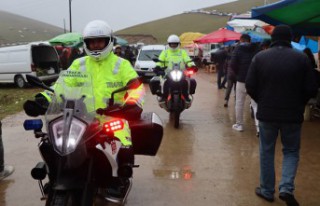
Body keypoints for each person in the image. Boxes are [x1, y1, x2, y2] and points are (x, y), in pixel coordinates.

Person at [24, 20, 145, 200]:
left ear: (108, 41)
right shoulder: (78, 65)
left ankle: (118, 179)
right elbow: (61, 87)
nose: (96, 45)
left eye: (100, 41)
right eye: (92, 42)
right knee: (52, 142)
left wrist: (132, 104)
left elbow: (136, 88)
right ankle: (56, 174)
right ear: (86, 44)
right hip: (80, 119)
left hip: (111, 118)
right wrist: (44, 99)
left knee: (122, 144)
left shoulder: (121, 65)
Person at [246, 25, 318, 206]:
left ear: (273, 38)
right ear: (290, 38)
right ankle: (286, 188)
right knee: (291, 151)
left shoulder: (259, 58)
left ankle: (267, 190)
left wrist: (262, 101)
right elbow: (311, 88)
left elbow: (250, 85)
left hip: (267, 113)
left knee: (266, 151)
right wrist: (299, 104)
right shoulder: (301, 58)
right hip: (292, 114)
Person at [156, 34, 195, 103]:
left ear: (178, 44)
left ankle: (186, 95)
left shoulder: (182, 52)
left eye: (175, 44)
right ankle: (164, 96)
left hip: (181, 71)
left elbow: (187, 59)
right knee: (164, 82)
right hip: (168, 72)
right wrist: (157, 67)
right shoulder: (165, 52)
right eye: (172, 44)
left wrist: (192, 65)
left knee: (188, 81)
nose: (173, 46)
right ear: (169, 44)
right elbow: (160, 60)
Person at [230, 34, 257, 131]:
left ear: (241, 40)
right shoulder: (256, 49)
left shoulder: (237, 49)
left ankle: (239, 125)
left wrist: (238, 74)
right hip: (254, 80)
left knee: (239, 102)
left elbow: (232, 64)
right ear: (249, 40)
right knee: (255, 103)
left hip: (241, 80)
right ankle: (258, 128)